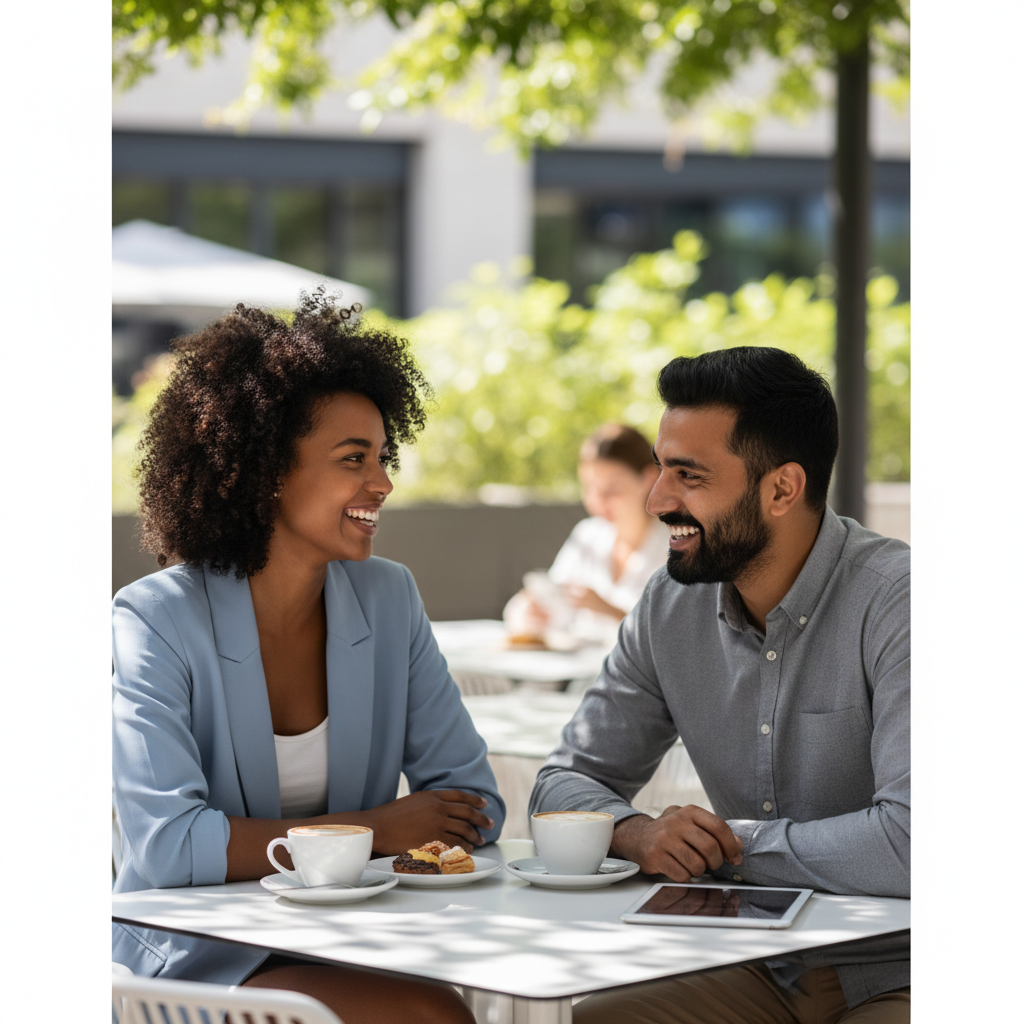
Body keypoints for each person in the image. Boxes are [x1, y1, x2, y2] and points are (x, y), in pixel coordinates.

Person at [112, 292, 505, 1024]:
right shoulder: (155, 620)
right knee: (432, 1017)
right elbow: (167, 847)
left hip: (357, 940)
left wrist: (422, 825)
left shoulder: (388, 598)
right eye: (353, 459)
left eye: (382, 458)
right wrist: (380, 830)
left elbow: (473, 801)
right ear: (264, 469)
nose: (382, 483)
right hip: (197, 962)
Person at [529, 347, 910, 1023]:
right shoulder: (667, 610)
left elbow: (917, 841)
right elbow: (563, 782)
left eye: (688, 475)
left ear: (782, 489)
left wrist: (727, 848)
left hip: (906, 965)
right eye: (661, 469)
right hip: (760, 964)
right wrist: (639, 833)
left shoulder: (901, 606)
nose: (656, 500)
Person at [503, 424, 666, 641]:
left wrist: (610, 611)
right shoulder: (588, 536)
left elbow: (677, 638)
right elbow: (552, 602)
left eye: (612, 489)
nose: (598, 501)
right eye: (590, 488)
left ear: (648, 478)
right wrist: (530, 610)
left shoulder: (676, 545)